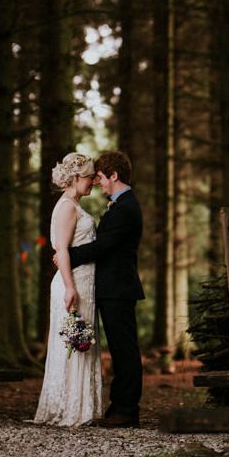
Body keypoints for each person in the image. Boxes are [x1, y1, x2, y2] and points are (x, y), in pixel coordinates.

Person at [68, 151, 144, 428]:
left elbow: (103, 246)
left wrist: (68, 255)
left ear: (114, 175)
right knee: (119, 349)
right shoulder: (120, 204)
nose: (98, 182)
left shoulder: (126, 208)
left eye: (100, 177)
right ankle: (119, 408)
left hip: (119, 289)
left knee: (124, 350)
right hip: (112, 288)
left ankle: (126, 410)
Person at [33, 153, 103, 427]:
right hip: (73, 283)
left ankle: (83, 406)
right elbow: (61, 250)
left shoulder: (74, 205)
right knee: (73, 343)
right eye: (89, 178)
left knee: (82, 341)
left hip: (85, 281)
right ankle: (68, 407)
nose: (93, 183)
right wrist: (70, 288)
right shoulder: (66, 207)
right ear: (75, 178)